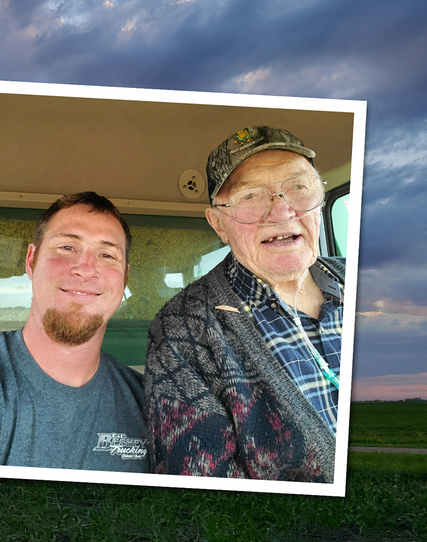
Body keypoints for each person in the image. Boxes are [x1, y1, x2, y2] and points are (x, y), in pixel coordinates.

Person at [145, 126, 344, 482]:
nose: (282, 212)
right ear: (219, 224)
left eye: (299, 187)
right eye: (250, 196)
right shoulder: (182, 327)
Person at [0, 191, 149, 472]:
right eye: (66, 247)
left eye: (107, 254)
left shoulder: (152, 406)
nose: (86, 270)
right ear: (31, 260)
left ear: (124, 279)